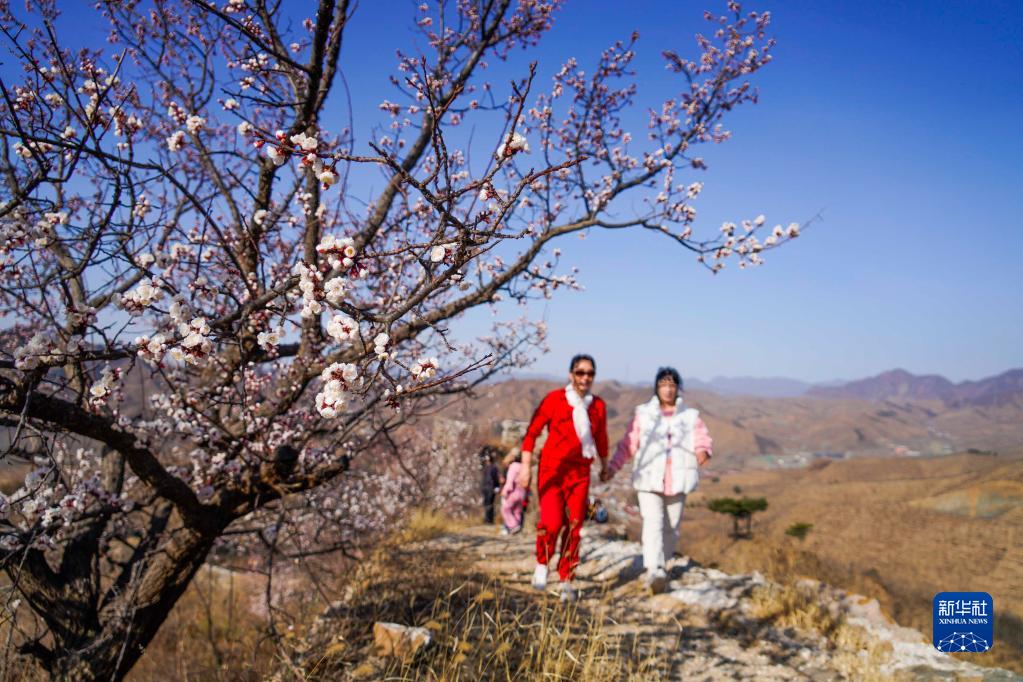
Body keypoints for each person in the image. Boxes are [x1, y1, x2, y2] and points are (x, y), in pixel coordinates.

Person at [602, 367, 712, 594]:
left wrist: (702, 451)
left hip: (679, 478)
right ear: (656, 387)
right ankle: (655, 568)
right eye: (663, 384)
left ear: (678, 388)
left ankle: (664, 562)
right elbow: (628, 444)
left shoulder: (690, 416)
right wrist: (613, 467)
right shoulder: (643, 414)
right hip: (649, 477)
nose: (668, 389)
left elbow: (702, 439)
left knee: (672, 526)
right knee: (653, 522)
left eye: (672, 385)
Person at [518, 354, 609, 601]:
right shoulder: (555, 399)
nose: (585, 378)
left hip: (580, 474)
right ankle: (542, 562)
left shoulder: (598, 406)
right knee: (552, 522)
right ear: (571, 375)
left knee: (574, 526)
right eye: (580, 372)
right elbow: (532, 433)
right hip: (552, 471)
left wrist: (604, 466)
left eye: (590, 373)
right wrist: (525, 467)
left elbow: (601, 439)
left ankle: (567, 578)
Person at [500, 452, 527, 534]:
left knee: (505, 509)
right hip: (522, 492)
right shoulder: (523, 467)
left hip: (513, 492)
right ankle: (518, 526)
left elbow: (510, 481)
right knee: (517, 511)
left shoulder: (513, 467)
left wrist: (505, 491)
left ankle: (513, 526)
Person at [479, 445, 504, 525]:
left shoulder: (494, 467)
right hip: (486, 487)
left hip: (491, 488)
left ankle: (489, 520)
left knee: (490, 504)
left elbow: (496, 478)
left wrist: (497, 487)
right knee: (486, 503)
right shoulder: (485, 467)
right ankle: (487, 519)